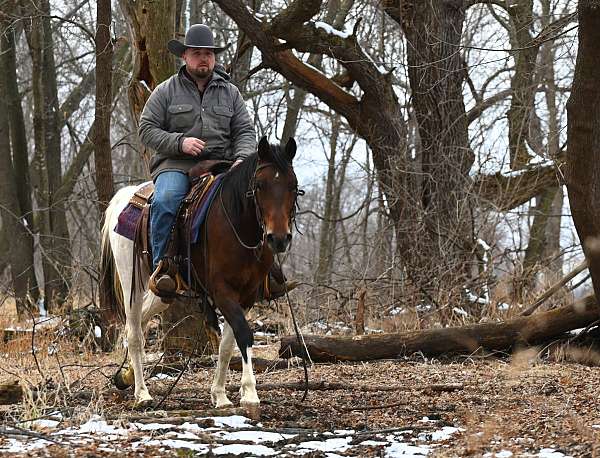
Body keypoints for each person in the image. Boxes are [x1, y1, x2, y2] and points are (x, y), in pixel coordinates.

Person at [138, 24, 256, 298]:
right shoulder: (166, 91)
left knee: (257, 201)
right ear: (185, 57)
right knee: (167, 200)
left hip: (223, 166)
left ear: (214, 58)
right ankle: (163, 268)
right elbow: (146, 128)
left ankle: (261, 273)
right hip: (177, 165)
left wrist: (242, 159)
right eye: (197, 53)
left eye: (208, 53)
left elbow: (245, 132)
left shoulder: (230, 93)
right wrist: (180, 142)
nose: (203, 58)